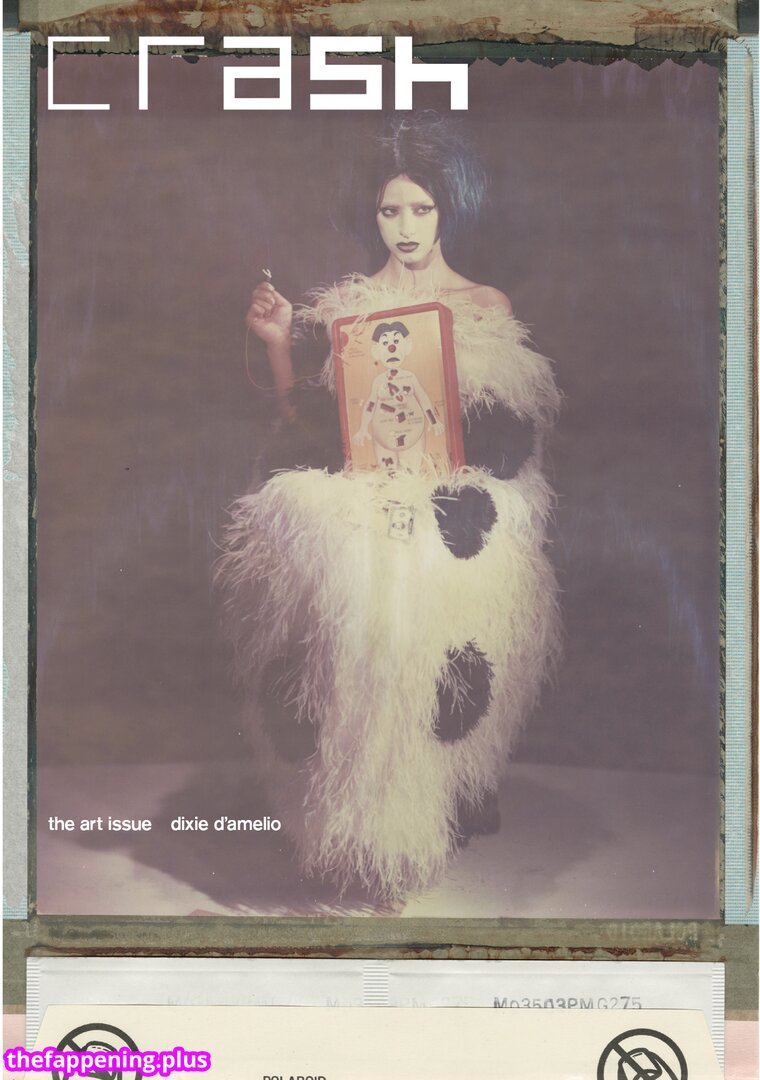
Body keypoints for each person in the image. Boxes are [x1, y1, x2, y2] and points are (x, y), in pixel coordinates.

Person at [218, 114, 561, 906]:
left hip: (458, 493)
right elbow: (305, 429)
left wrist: (449, 454)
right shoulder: (349, 309)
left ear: (448, 210)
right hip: (368, 490)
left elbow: (512, 432)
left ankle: (442, 783)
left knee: (421, 558)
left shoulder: (483, 303)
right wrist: (279, 342)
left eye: (421, 208)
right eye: (389, 210)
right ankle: (363, 809)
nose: (405, 228)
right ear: (369, 215)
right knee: (351, 558)